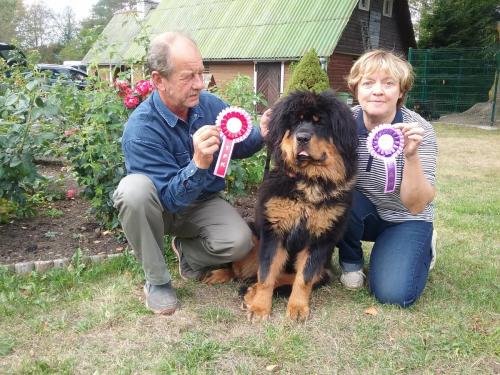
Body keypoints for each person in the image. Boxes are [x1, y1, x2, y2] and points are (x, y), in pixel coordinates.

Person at [113, 32, 268, 315]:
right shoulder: (141, 130)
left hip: (203, 201)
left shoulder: (209, 105)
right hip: (160, 207)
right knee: (131, 191)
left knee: (240, 242)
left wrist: (264, 132)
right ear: (159, 80)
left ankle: (188, 255)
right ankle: (157, 281)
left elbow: (241, 145)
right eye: (188, 76)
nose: (199, 84)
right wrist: (197, 164)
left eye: (201, 73)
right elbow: (170, 201)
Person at [337, 49, 438, 308]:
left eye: (389, 83)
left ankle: (422, 245)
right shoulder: (342, 122)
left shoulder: (420, 130)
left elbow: (416, 205)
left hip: (405, 218)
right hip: (360, 212)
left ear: (401, 91)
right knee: (339, 196)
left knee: (394, 295)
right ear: (355, 89)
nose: (378, 91)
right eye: (368, 83)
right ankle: (351, 263)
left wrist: (411, 155)